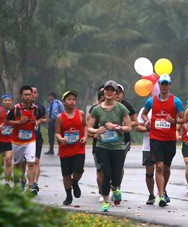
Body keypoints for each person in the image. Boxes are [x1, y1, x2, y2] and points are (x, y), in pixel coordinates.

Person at [141, 74, 185, 207]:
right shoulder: (152, 101)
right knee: (159, 166)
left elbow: (184, 119)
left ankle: (163, 189)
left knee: (166, 167)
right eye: (162, 84)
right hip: (155, 138)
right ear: (158, 85)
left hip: (170, 139)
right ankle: (161, 196)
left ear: (170, 85)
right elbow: (143, 113)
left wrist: (174, 121)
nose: (164, 86)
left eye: (166, 84)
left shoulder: (176, 101)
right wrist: (147, 120)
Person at [87, 80, 131, 212]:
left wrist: (116, 127)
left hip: (117, 147)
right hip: (102, 146)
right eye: (107, 90)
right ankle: (106, 202)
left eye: (113, 90)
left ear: (116, 92)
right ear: (103, 91)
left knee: (116, 175)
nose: (110, 92)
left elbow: (128, 127)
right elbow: (89, 128)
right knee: (106, 174)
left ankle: (116, 188)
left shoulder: (121, 108)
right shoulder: (97, 110)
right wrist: (97, 131)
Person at [5, 86, 40, 194]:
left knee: (31, 163)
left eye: (30, 94)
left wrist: (34, 123)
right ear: (21, 96)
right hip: (17, 141)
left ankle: (31, 186)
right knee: (18, 164)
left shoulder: (35, 109)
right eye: (25, 94)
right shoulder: (15, 109)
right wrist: (18, 122)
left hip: (30, 140)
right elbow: (6, 123)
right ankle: (17, 183)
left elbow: (35, 121)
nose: (28, 96)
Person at [55, 90, 87, 205]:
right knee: (66, 173)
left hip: (79, 147)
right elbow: (57, 133)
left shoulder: (81, 114)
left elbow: (85, 126)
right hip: (65, 149)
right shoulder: (60, 117)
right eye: (69, 99)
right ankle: (68, 196)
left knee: (79, 169)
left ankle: (75, 182)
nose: (72, 102)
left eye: (74, 99)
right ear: (64, 102)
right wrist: (60, 138)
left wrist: (85, 136)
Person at [87, 88, 106, 200]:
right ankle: (102, 192)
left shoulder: (115, 109)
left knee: (110, 171)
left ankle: (111, 189)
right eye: (102, 100)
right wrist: (94, 134)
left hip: (112, 146)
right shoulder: (94, 111)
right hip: (98, 145)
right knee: (100, 170)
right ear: (98, 101)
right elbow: (88, 128)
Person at [136, 106, 156, 205]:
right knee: (149, 171)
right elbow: (138, 127)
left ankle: (162, 192)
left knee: (162, 168)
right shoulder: (145, 110)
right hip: (148, 146)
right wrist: (147, 129)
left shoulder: (169, 108)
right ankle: (151, 194)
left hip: (163, 144)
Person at [31, 86, 48, 192]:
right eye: (31, 92)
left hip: (37, 136)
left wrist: (40, 121)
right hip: (24, 138)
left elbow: (46, 118)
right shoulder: (20, 107)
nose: (33, 94)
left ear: (37, 95)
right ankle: (24, 181)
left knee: (36, 161)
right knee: (26, 163)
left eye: (35, 92)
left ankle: (35, 184)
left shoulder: (40, 107)